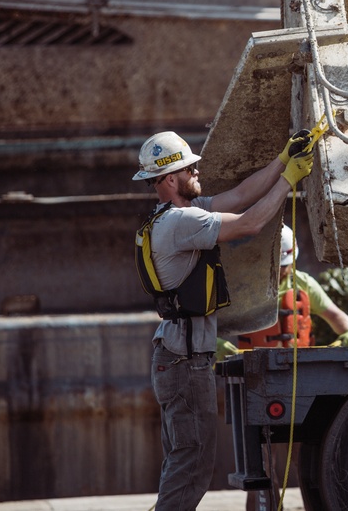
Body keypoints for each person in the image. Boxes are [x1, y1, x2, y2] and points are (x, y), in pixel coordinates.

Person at [132, 130, 313, 511]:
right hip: (185, 361)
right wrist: (289, 182)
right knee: (191, 462)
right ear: (169, 180)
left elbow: (242, 195)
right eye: (188, 166)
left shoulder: (172, 218)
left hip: (177, 356)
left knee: (183, 459)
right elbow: (248, 223)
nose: (197, 167)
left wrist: (284, 159)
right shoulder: (182, 222)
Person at [238, 224, 348, 349]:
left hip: (297, 362)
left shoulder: (303, 283)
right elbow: (217, 322)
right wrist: (218, 344)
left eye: (283, 265)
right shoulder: (242, 287)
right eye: (273, 266)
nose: (278, 271)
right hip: (254, 363)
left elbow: (335, 315)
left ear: (292, 261)